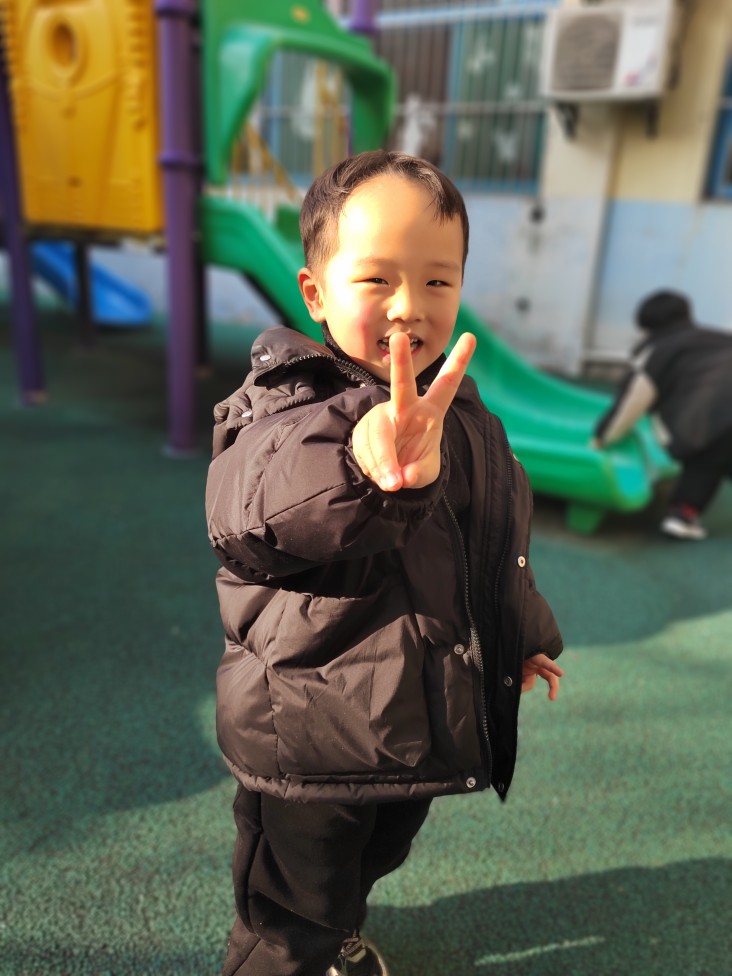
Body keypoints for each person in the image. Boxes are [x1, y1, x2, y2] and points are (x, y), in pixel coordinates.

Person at [205, 150, 564, 976]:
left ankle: (337, 934)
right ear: (315, 292)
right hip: (308, 733)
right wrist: (361, 469)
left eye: (438, 280)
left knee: (374, 855)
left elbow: (494, 537)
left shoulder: (460, 411)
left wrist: (522, 634)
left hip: (408, 726)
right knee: (292, 904)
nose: (410, 305)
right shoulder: (284, 407)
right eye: (377, 279)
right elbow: (251, 512)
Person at [592, 290, 732, 540]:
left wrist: (603, 435)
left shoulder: (658, 348)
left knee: (705, 453)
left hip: (714, 416)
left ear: (646, 326)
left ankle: (682, 514)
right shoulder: (718, 339)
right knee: (721, 452)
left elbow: (632, 400)